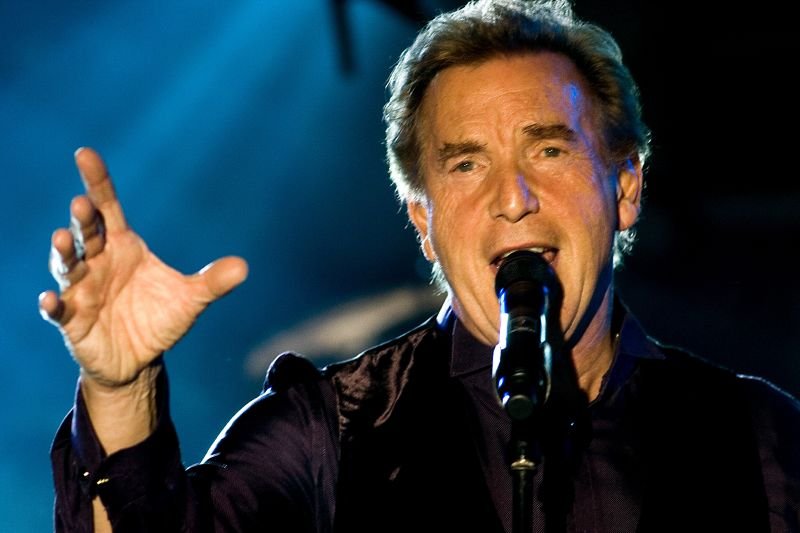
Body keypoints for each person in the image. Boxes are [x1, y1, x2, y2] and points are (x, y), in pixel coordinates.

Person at [43, 0, 800, 531]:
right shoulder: (333, 428)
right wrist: (123, 388)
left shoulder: (756, 433)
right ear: (424, 224)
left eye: (548, 149)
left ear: (625, 188)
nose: (513, 197)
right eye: (467, 164)